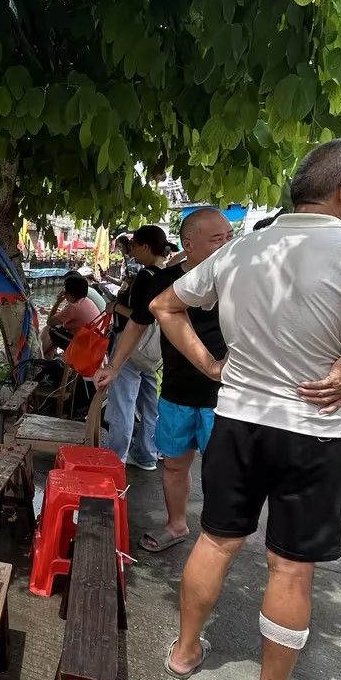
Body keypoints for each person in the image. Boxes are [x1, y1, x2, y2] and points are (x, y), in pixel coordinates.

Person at [151, 139, 341, 680]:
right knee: (291, 567)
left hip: (238, 421)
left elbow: (166, 306)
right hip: (313, 431)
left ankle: (184, 652)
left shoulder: (241, 250)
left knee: (215, 539)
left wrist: (210, 366)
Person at [133, 208, 232, 553]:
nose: (227, 245)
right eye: (218, 239)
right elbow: (139, 321)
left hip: (226, 396)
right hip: (176, 391)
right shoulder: (166, 281)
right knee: (174, 465)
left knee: (223, 470)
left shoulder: (243, 277)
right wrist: (114, 366)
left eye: (229, 237)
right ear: (189, 245)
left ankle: (219, 539)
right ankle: (176, 525)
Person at [92, 225, 171, 469]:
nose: (133, 250)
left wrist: (114, 307)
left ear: (146, 247)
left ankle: (116, 459)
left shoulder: (146, 277)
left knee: (123, 404)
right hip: (155, 351)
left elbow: (138, 316)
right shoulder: (169, 274)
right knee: (150, 404)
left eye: (135, 245)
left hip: (133, 349)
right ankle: (147, 454)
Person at [42, 273, 101, 356]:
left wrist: (58, 302)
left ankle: (47, 354)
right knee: (61, 327)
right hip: (95, 342)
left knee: (52, 330)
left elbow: (49, 321)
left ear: (70, 293)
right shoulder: (86, 300)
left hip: (86, 346)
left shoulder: (74, 307)